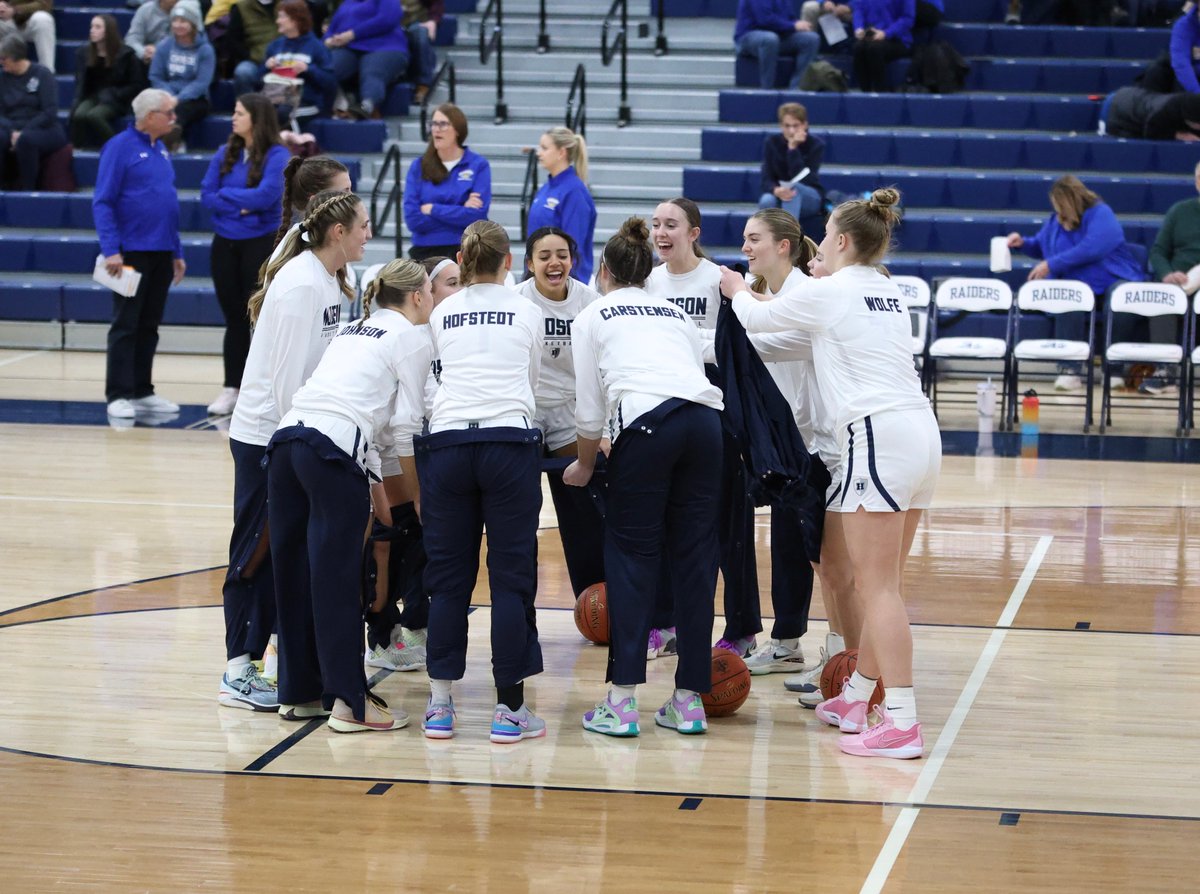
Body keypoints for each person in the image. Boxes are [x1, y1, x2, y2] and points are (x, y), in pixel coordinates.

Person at [720, 188, 939, 760]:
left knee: (879, 588)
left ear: (841, 240)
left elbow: (758, 317)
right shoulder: (886, 291)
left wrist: (736, 289)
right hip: (919, 434)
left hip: (876, 436)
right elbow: (794, 344)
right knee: (864, 574)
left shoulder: (832, 290)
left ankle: (902, 722)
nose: (819, 244)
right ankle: (858, 695)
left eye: (824, 235)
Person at [568, 217, 725, 738]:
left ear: (604, 272)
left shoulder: (592, 314)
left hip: (647, 426)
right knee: (696, 563)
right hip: (705, 424)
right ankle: (689, 701)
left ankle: (621, 701)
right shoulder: (675, 313)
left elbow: (588, 412)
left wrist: (584, 464)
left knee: (632, 560)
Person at [266, 257, 433, 732]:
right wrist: (417, 494)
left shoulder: (351, 330)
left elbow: (370, 426)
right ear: (417, 296)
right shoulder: (412, 338)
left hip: (287, 442)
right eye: (430, 292)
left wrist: (377, 492)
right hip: (331, 454)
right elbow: (403, 426)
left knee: (296, 576)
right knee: (338, 581)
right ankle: (350, 704)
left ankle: (300, 693)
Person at [220, 189, 362, 713]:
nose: (369, 233)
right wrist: (294, 443)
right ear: (338, 232)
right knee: (254, 553)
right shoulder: (302, 284)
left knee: (288, 554)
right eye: (363, 225)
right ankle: (237, 669)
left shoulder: (326, 278)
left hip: (293, 434)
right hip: (268, 435)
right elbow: (285, 378)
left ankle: (278, 662)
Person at [416, 219, 547, 744]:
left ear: (463, 260)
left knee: (448, 579)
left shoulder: (441, 311)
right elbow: (531, 380)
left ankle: (440, 706)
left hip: (448, 444)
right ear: (509, 261)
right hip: (508, 442)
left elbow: (435, 379)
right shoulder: (528, 309)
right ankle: (508, 710)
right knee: (511, 578)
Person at [730, 210, 855, 695]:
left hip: (822, 447)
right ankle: (788, 642)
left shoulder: (809, 293)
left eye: (754, 239)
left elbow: (767, 345)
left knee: (828, 563)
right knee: (788, 549)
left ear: (783, 246)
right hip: (787, 445)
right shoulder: (767, 294)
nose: (745, 248)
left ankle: (842, 659)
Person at [646, 197, 762, 661]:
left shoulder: (720, 280)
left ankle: (742, 628)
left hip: (716, 401)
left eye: (671, 224)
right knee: (665, 520)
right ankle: (666, 622)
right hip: (663, 401)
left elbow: (738, 347)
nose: (661, 232)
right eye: (656, 224)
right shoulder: (648, 283)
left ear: (693, 233)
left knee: (729, 522)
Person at [361, 252, 461, 672]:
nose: (460, 290)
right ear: (424, 293)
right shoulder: (409, 336)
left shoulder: (449, 332)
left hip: (411, 447)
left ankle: (409, 626)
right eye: (451, 283)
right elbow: (409, 415)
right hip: (387, 450)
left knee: (420, 543)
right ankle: (382, 635)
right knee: (392, 542)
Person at [516, 226, 605, 599]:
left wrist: (604, 428)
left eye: (562, 255)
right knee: (520, 512)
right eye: (544, 256)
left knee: (583, 512)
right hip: (530, 409)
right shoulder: (516, 301)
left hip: (572, 409)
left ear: (573, 260)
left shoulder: (590, 302)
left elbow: (602, 367)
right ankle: (521, 607)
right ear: (530, 263)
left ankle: (597, 598)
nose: (554, 263)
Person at [93, 88, 185, 420]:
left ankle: (142, 391)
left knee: (149, 324)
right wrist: (111, 250)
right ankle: (118, 394)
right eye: (168, 113)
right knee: (126, 324)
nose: (174, 119)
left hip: (161, 251)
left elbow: (166, 204)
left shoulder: (161, 149)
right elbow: (103, 201)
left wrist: (176, 250)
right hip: (130, 252)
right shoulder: (119, 147)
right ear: (149, 116)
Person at [1005, 175, 1144, 391]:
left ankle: (1114, 369)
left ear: (1070, 200)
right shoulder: (1056, 221)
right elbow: (1042, 245)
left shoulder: (1101, 213)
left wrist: (1052, 264)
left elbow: (1092, 247)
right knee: (1068, 296)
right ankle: (1069, 370)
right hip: (1078, 283)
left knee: (1121, 299)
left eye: (1059, 204)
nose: (1057, 209)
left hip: (1113, 277)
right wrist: (1022, 243)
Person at [200, 93, 288, 417]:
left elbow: (267, 197)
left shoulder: (278, 155)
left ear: (256, 118)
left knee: (261, 318)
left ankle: (264, 389)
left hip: (260, 243)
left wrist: (228, 197)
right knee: (234, 319)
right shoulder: (225, 152)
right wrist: (241, 204)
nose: (233, 118)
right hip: (224, 243)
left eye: (239, 113)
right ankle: (231, 388)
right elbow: (207, 194)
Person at [402, 103, 490, 261]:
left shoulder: (478, 165)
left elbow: (476, 216)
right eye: (433, 124)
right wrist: (460, 209)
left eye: (443, 124)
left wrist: (432, 209)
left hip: (466, 249)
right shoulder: (418, 166)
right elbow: (412, 219)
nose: (436, 129)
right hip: (425, 251)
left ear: (457, 129)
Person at [1141, 159, 1200, 395]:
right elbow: (1158, 251)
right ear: (1198, 182)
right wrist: (1167, 273)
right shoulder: (1180, 211)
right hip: (1179, 282)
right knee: (1162, 297)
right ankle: (1165, 372)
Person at [526, 127, 597, 284]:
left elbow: (574, 245)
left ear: (561, 153)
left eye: (544, 148)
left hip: (562, 282)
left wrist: (566, 285)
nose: (539, 153)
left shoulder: (574, 192)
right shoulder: (546, 188)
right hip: (539, 278)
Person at [0, 34, 66, 191]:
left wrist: (23, 132)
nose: (1, 62)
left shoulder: (42, 74)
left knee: (26, 140)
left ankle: (28, 190)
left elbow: (49, 112)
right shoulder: (2, 78)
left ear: (16, 58)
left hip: (43, 127)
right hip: (11, 126)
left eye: (3, 58)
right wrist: (12, 131)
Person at [71, 15, 148, 149]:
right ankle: (80, 149)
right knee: (78, 115)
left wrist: (115, 94)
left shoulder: (126, 55)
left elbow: (136, 85)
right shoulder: (84, 53)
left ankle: (119, 147)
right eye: (92, 26)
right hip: (94, 96)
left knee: (95, 116)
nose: (92, 30)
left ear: (108, 31)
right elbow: (81, 81)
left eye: (97, 27)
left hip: (117, 98)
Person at [324, 0, 408, 119]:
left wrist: (352, 34)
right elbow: (332, 29)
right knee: (327, 68)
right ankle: (338, 106)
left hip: (385, 46)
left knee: (372, 72)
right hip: (349, 47)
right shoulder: (347, 3)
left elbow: (388, 19)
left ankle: (366, 107)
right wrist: (328, 40)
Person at [148, 1, 215, 140]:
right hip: (166, 95)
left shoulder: (205, 50)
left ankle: (172, 145)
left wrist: (178, 99)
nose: (178, 25)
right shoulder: (164, 45)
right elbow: (155, 76)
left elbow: (201, 83)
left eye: (183, 21)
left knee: (177, 112)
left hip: (196, 99)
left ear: (193, 24)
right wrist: (169, 96)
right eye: (175, 21)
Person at [258, 0, 336, 117]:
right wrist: (266, 67)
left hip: (306, 102)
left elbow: (330, 83)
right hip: (276, 98)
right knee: (256, 112)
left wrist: (308, 69)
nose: (277, 21)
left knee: (280, 114)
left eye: (281, 17)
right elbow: (257, 81)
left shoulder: (317, 47)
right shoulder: (275, 46)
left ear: (295, 20)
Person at [270, 153, 351, 259]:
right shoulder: (303, 249)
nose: (352, 197)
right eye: (345, 191)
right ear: (316, 201)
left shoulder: (329, 239)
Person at [758, 102, 825, 227]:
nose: (791, 131)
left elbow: (806, 179)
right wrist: (775, 190)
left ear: (805, 125)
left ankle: (789, 236)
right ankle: (767, 238)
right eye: (787, 126)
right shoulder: (771, 142)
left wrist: (793, 149)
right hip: (780, 193)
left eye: (796, 125)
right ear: (781, 126)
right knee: (766, 200)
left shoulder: (815, 144)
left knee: (793, 190)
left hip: (809, 196)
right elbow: (766, 177)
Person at [734, 0, 821, 90]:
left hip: (778, 35)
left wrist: (799, 25)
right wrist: (793, 26)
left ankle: (798, 88)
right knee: (770, 39)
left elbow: (789, 18)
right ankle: (766, 90)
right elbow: (764, 20)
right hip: (749, 36)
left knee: (811, 39)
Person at [852, 0, 916, 93]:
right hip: (872, 36)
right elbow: (858, 9)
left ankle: (880, 93)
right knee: (858, 48)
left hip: (898, 39)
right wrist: (858, 28)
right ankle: (865, 93)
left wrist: (886, 33)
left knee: (874, 49)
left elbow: (908, 19)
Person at [227, 0, 281, 97]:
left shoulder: (286, 4)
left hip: (285, 57)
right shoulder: (241, 8)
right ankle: (246, 105)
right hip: (254, 61)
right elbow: (233, 40)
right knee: (243, 72)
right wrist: (250, 56)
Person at [401, 0, 442, 104]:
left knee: (420, 34)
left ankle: (423, 85)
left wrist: (433, 21)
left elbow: (436, 4)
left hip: (417, 21)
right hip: (389, 23)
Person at [0, 0, 56, 73]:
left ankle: (46, 72)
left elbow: (45, 4)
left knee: (43, 19)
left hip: (29, 22)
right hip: (6, 23)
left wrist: (15, 10)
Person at [125, 0, 179, 71]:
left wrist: (159, 54)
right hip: (145, 62)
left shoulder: (186, 10)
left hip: (174, 61)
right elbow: (132, 39)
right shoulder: (145, 10)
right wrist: (144, 53)